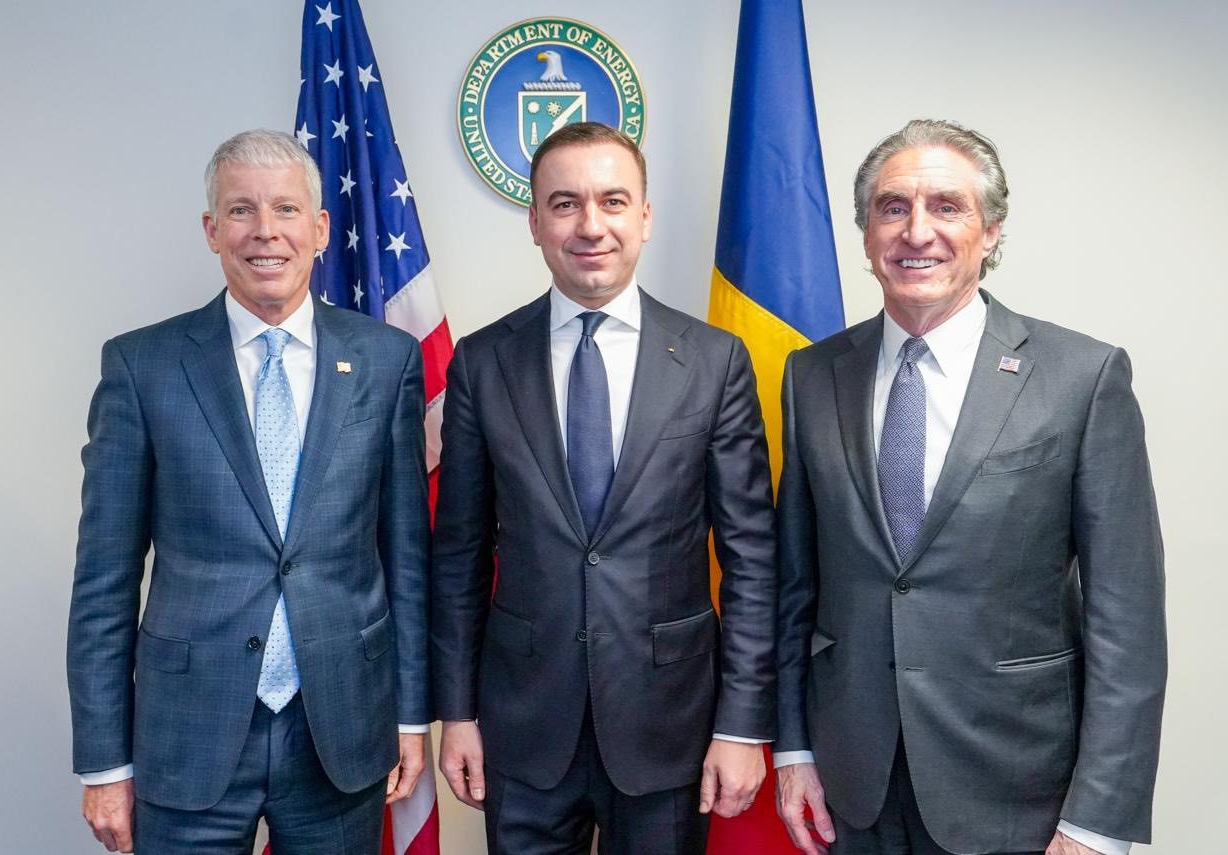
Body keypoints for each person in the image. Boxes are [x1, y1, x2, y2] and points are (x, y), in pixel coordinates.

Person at [773, 119, 1166, 855]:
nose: (916, 232)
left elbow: (1128, 619)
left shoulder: (1082, 378)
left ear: (990, 231)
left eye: (946, 207)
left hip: (1017, 788)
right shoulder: (813, 375)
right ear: (866, 233)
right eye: (893, 208)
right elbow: (795, 585)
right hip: (852, 783)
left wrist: (1097, 820)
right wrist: (793, 748)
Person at [67, 129, 431, 854]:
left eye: (286, 209)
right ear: (212, 230)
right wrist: (104, 762)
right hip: (188, 733)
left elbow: (406, 559)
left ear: (320, 228)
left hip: (341, 731)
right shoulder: (142, 366)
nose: (266, 230)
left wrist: (412, 716)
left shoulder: (387, 360)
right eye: (241, 210)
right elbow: (104, 578)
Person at [431, 121, 778, 853]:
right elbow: (458, 556)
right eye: (565, 204)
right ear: (535, 223)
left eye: (613, 201)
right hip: (522, 728)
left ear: (644, 217)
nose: (591, 225)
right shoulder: (482, 363)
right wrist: (456, 713)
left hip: (670, 726)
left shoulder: (715, 362)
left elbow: (751, 560)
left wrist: (743, 724)